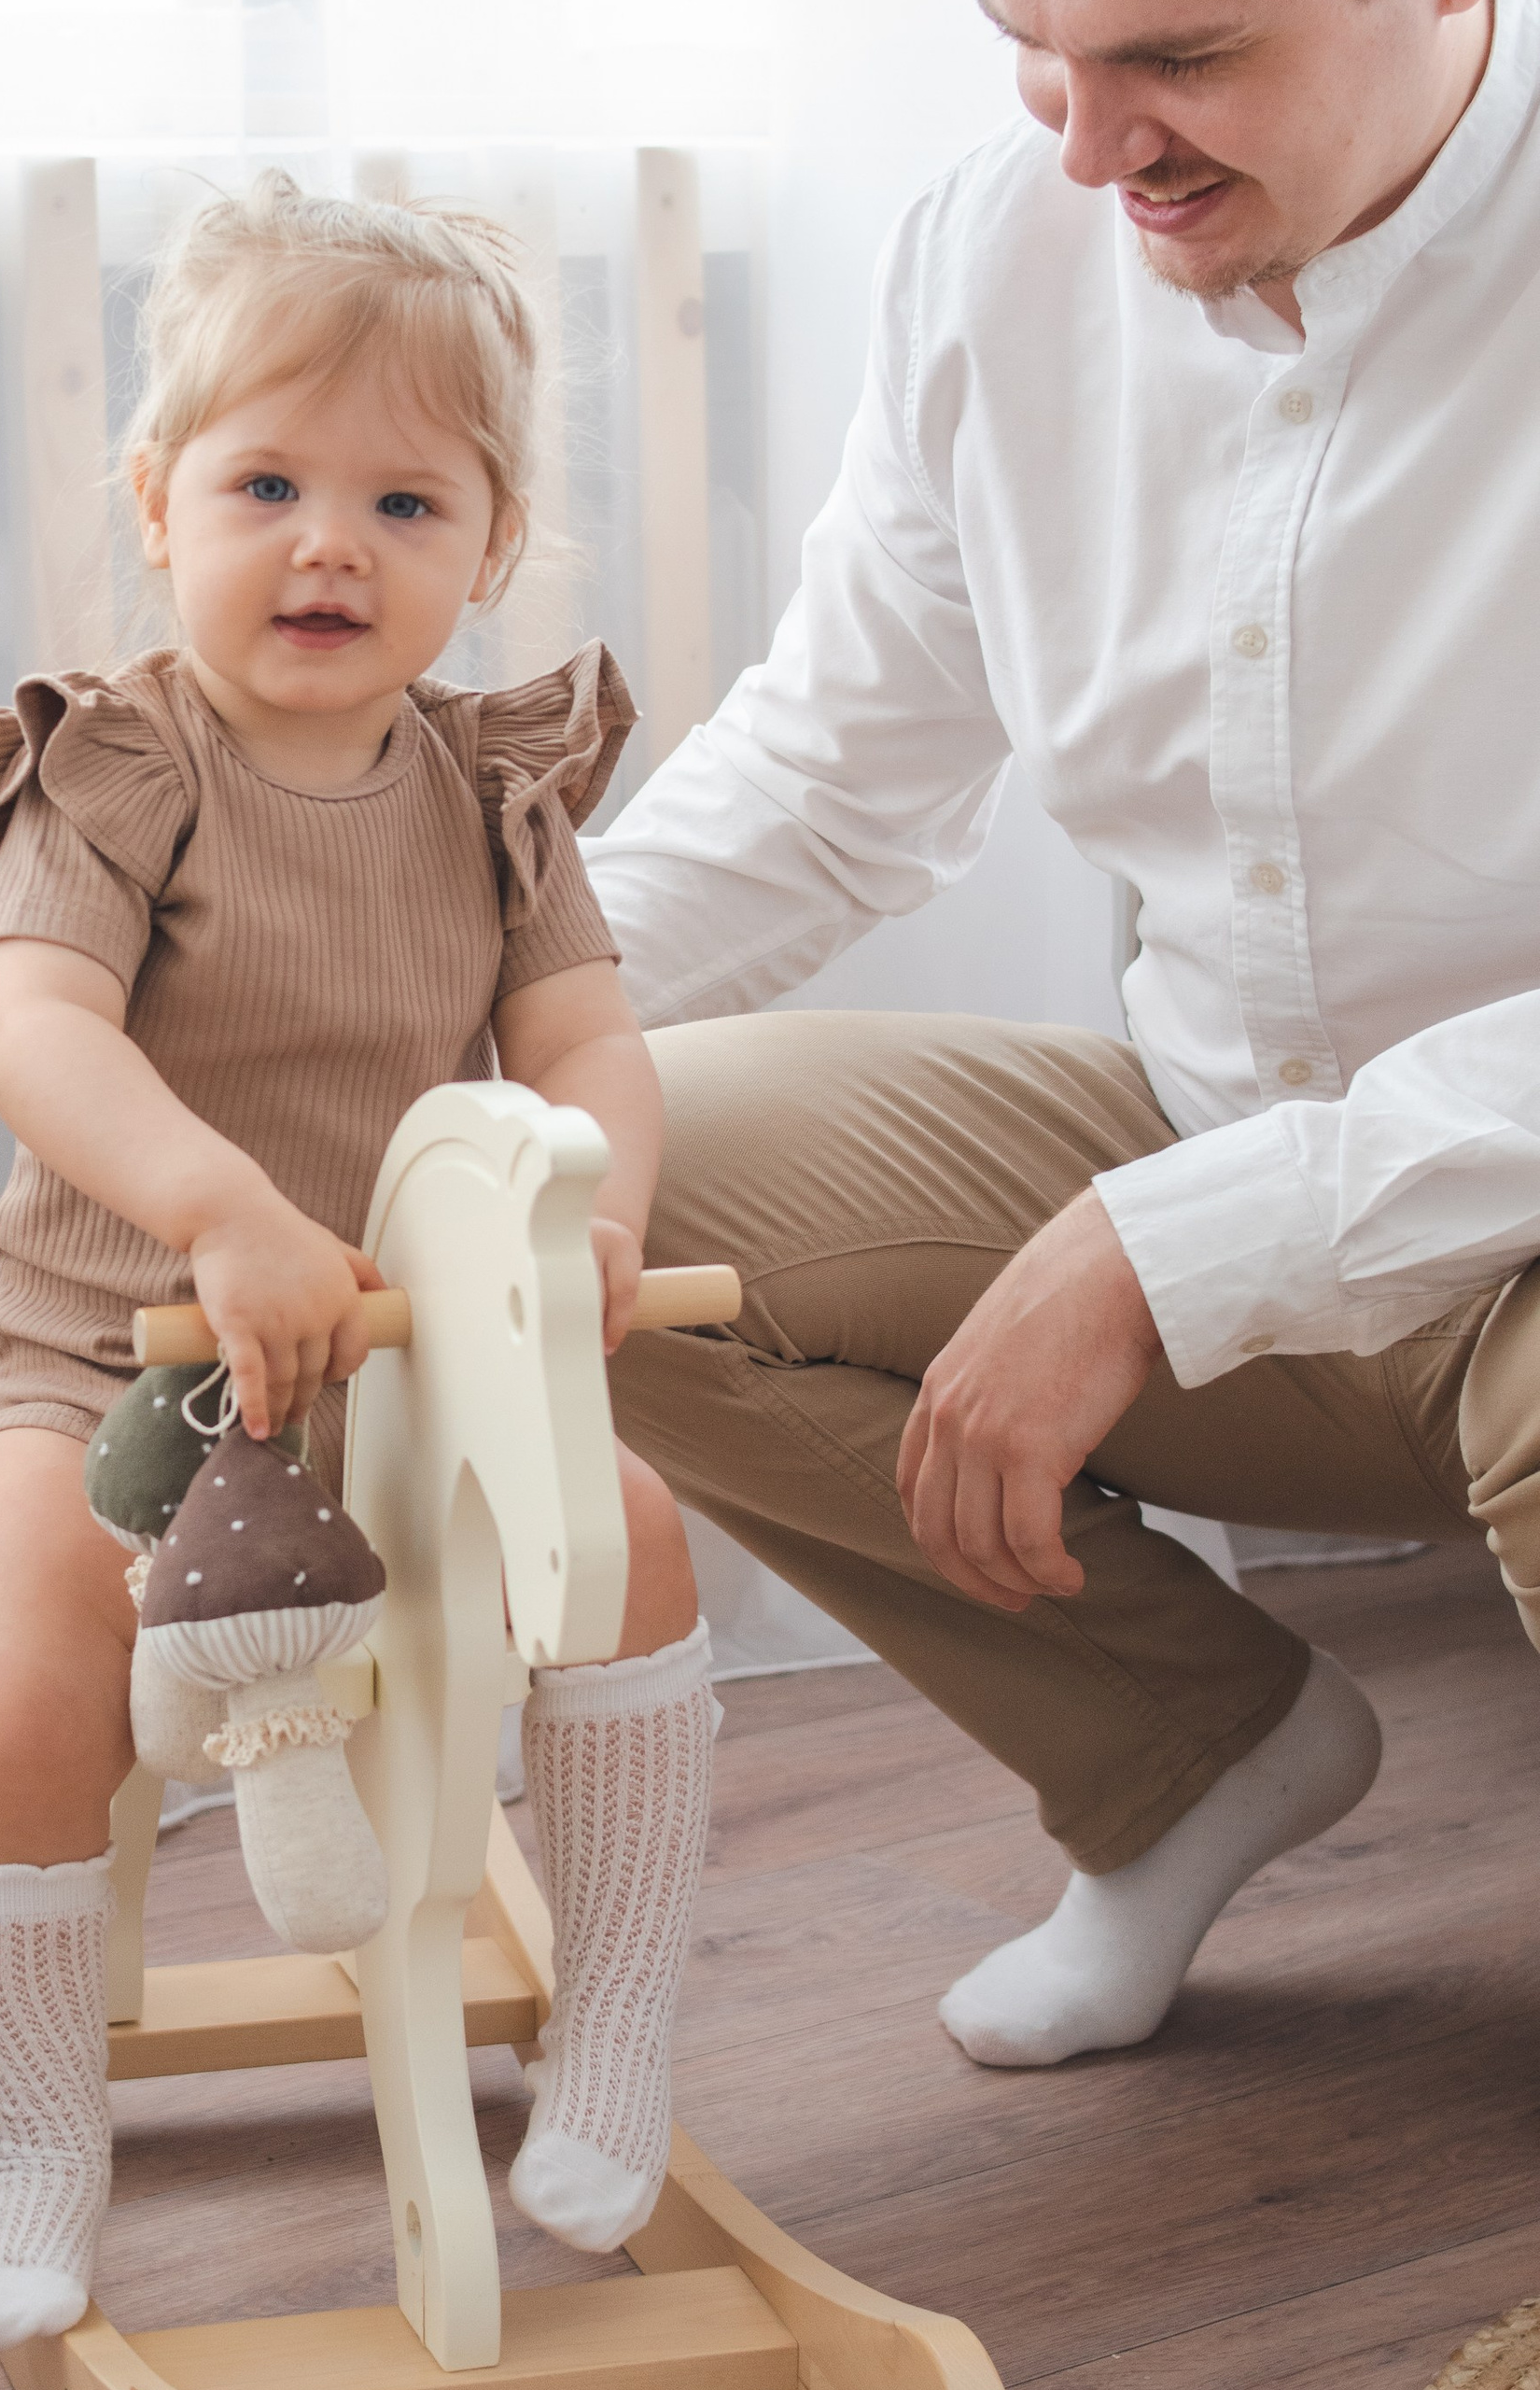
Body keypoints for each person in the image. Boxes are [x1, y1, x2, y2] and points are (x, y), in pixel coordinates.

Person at [587, 0, 1537, 2072]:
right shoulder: (987, 251)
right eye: (1034, 43)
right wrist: (419, 1062)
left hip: (1491, 1233)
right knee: (582, 1175)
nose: (1092, 146)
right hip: (1225, 1164)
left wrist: (1153, 1242)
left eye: (1177, 55)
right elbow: (830, 772)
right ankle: (1185, 1754)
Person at [0, 176, 713, 2353]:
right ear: (158, 502)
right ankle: (44, 2146)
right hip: (115, 1360)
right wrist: (218, 1208)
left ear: (487, 545)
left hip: (405, 1368)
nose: (326, 541)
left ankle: (616, 2022)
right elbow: (34, 1025)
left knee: (631, 1535)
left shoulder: (493, 792)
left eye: (399, 498)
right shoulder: (122, 763)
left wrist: (598, 1203)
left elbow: (586, 1044)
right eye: (264, 482)